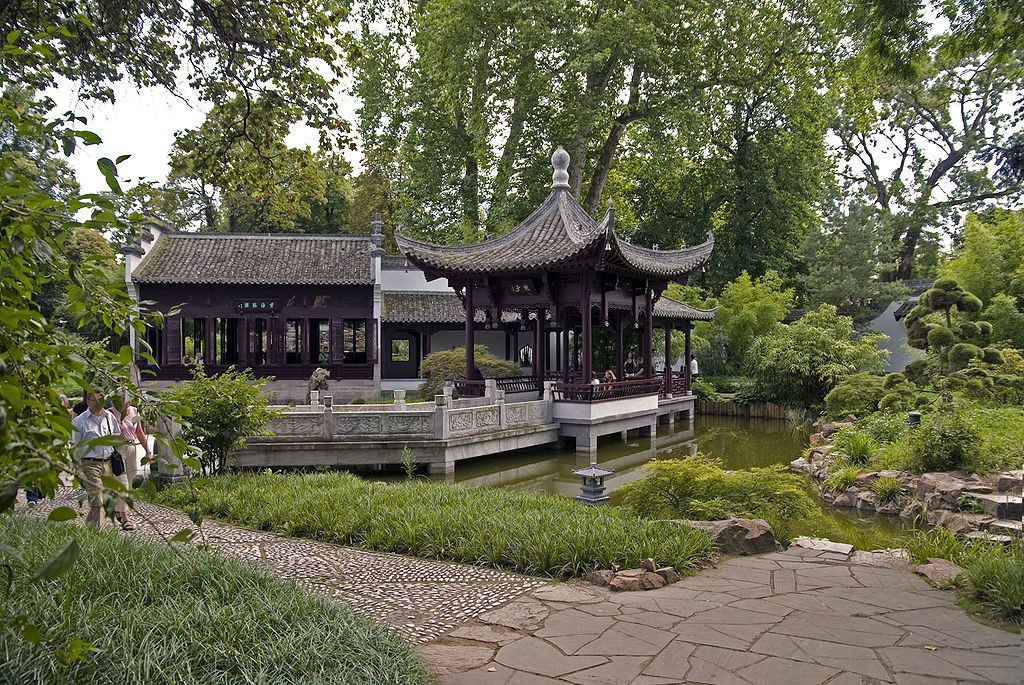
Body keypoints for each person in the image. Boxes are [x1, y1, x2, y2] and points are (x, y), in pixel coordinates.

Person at [71, 385, 133, 530]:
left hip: (108, 463)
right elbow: (75, 446)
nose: (98, 404)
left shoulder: (109, 417)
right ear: (88, 401)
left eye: (101, 400)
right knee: (97, 500)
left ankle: (89, 529)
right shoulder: (79, 421)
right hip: (90, 464)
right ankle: (101, 533)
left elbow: (116, 435)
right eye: (95, 400)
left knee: (103, 500)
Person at [112, 392, 152, 516]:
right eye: (125, 401)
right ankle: (123, 514)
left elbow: (139, 432)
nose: (128, 404)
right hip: (118, 449)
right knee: (121, 481)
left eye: (129, 401)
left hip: (132, 447)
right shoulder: (111, 413)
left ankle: (119, 509)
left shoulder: (134, 411)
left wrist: (148, 451)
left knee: (131, 480)